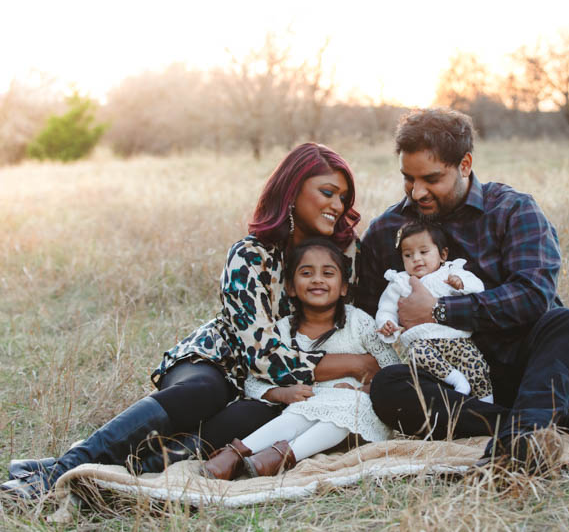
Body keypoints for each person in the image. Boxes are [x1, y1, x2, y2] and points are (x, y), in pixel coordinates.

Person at [2, 143, 380, 498]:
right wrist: (355, 364)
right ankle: (59, 472)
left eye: (344, 197)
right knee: (205, 393)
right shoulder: (250, 255)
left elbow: (362, 320)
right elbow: (264, 356)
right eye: (327, 192)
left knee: (252, 419)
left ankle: (110, 477)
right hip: (218, 363)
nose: (338, 204)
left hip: (268, 390)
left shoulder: (342, 257)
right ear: (293, 191)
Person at [356, 108, 569, 473]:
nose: (417, 191)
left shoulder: (513, 210)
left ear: (464, 164)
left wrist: (439, 310)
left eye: (431, 179)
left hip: (526, 370)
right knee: (389, 387)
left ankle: (519, 438)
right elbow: (365, 312)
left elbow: (533, 296)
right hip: (447, 381)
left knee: (568, 324)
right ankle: (538, 428)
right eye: (407, 179)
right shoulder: (387, 230)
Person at [201, 238, 399, 480]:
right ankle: (237, 453)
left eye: (328, 273)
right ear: (291, 287)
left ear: (344, 287)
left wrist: (366, 390)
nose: (317, 279)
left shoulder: (360, 323)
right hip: (308, 413)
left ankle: (284, 456)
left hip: (359, 415)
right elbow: (253, 382)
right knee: (299, 411)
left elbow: (393, 371)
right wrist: (281, 394)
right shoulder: (284, 331)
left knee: (347, 403)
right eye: (306, 273)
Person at [375, 220, 493, 403]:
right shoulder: (399, 282)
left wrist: (461, 284)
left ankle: (487, 403)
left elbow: (479, 289)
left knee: (475, 364)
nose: (416, 259)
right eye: (408, 255)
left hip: (457, 339)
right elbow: (386, 308)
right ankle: (457, 380)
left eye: (424, 252)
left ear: (443, 254)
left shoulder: (451, 272)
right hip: (421, 342)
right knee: (416, 354)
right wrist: (386, 323)